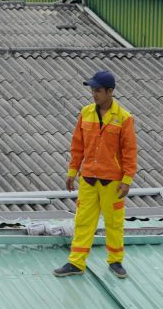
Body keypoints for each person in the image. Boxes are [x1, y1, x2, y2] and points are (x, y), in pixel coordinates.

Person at [54, 70, 137, 279]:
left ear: (110, 91)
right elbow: (77, 146)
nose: (94, 94)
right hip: (88, 179)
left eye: (98, 90)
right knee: (83, 221)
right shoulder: (85, 113)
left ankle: (115, 261)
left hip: (113, 182)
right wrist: (72, 171)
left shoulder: (124, 118)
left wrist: (127, 180)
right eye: (92, 90)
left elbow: (129, 152)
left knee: (114, 223)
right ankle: (76, 263)